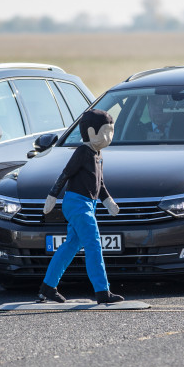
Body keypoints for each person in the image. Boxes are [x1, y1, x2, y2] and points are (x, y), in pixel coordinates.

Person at [38, 109, 125, 305]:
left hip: (88, 204)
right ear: (92, 132)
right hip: (77, 203)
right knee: (93, 243)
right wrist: (52, 196)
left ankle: (48, 287)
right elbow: (65, 174)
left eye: (111, 131)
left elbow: (99, 184)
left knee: (71, 245)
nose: (110, 136)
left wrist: (108, 201)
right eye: (106, 132)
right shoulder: (82, 152)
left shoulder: (98, 155)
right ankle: (102, 291)